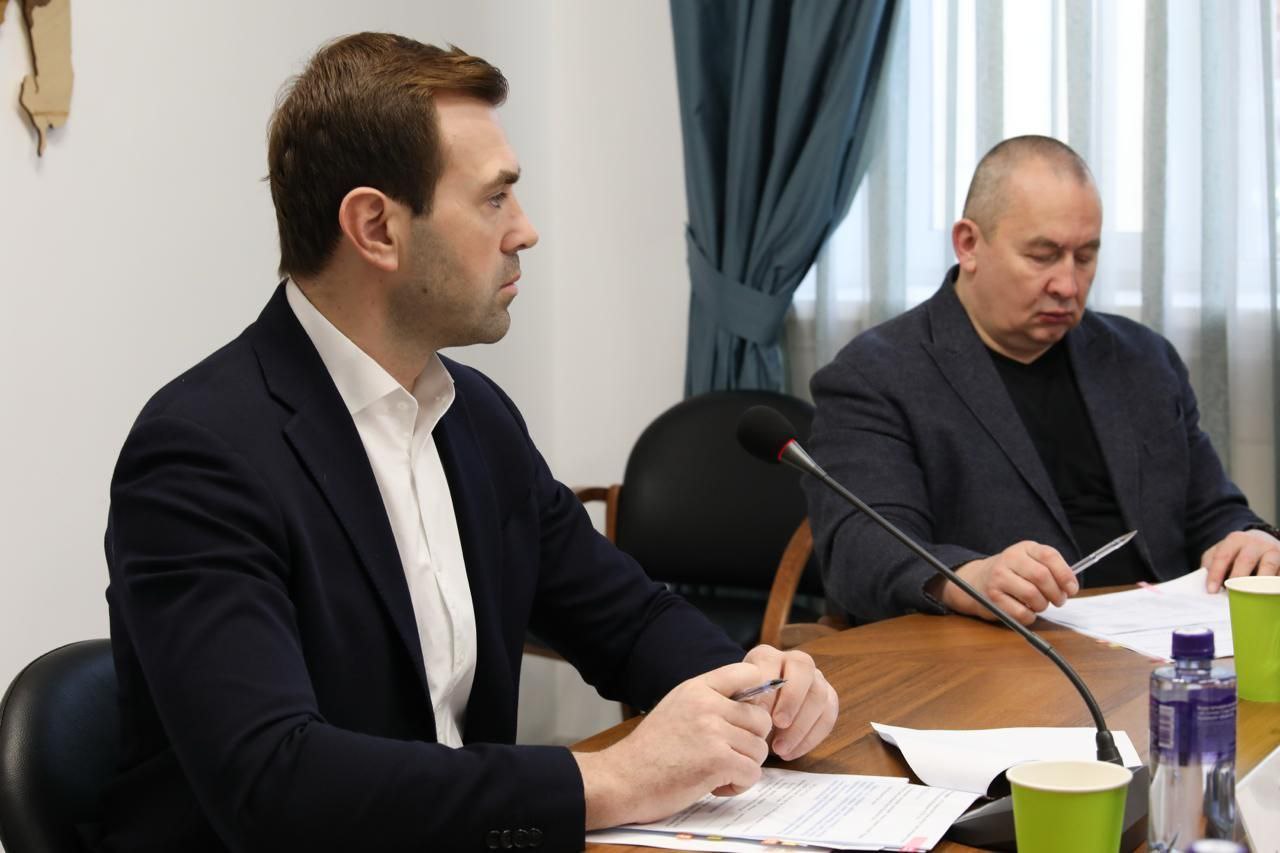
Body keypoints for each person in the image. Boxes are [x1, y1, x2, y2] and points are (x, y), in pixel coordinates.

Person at [97, 33, 838, 852]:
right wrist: (610, 778)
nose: (526, 230)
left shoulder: (476, 417)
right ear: (376, 228)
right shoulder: (199, 454)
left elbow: (626, 620)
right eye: (494, 199)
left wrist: (754, 688)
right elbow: (276, 784)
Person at [804, 135, 1280, 627]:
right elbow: (860, 550)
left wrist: (1249, 537)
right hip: (998, 648)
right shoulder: (875, 376)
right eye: (1042, 255)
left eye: (1085, 257)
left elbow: (1212, 512)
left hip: (1168, 644)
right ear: (969, 244)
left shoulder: (1142, 359)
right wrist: (970, 577)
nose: (1067, 285)